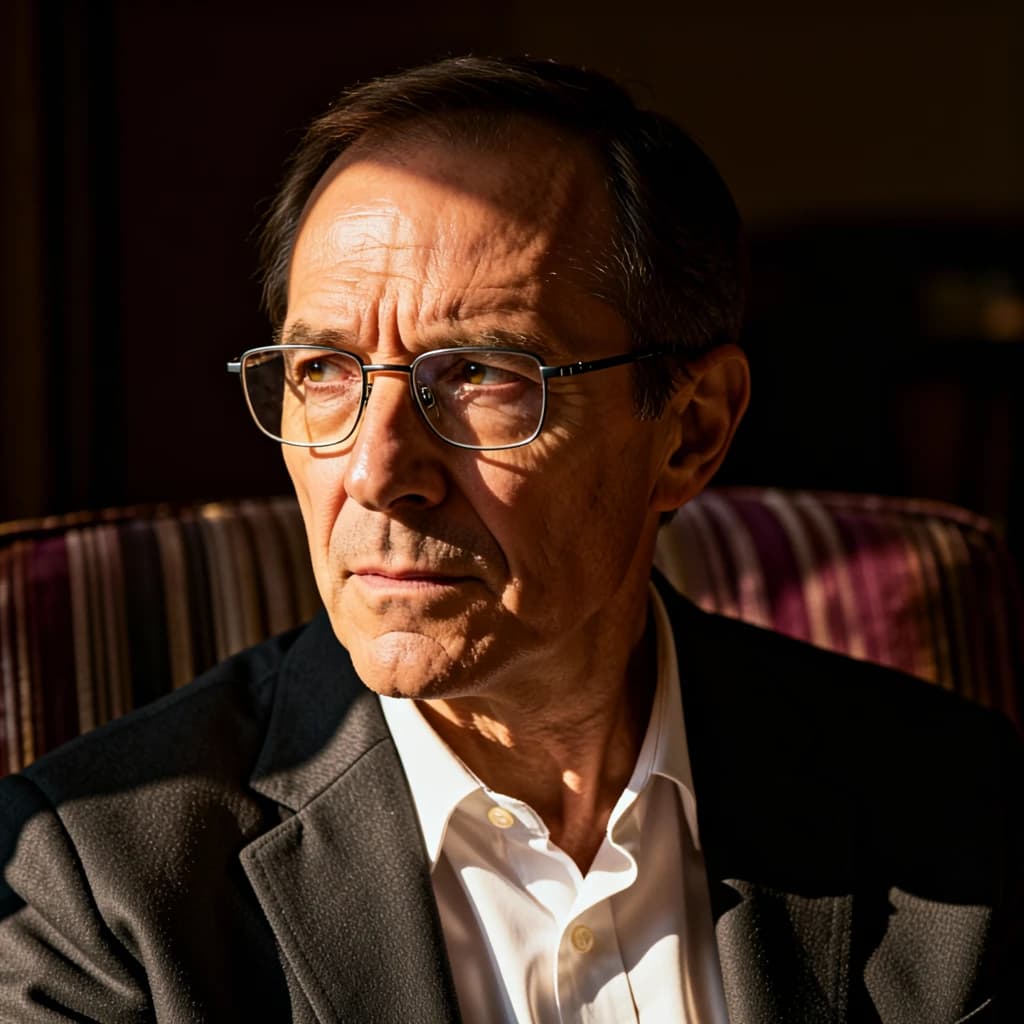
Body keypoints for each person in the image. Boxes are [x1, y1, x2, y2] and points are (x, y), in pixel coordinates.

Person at [0, 55, 1020, 1024]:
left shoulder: (960, 813)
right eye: (323, 370)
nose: (374, 471)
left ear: (691, 429)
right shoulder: (94, 885)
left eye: (482, 374)